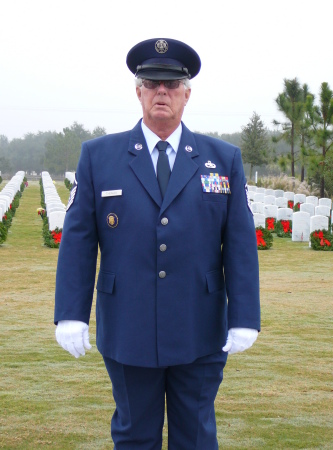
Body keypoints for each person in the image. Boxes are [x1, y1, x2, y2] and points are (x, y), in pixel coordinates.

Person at [54, 37, 260, 449]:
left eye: (171, 84)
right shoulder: (100, 156)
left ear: (187, 93)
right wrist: (70, 313)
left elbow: (238, 243)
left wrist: (245, 316)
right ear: (138, 91)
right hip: (128, 325)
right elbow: (78, 239)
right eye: (151, 83)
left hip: (199, 326)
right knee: (134, 435)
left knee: (197, 436)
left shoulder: (222, 158)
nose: (161, 91)